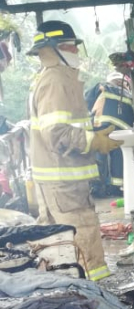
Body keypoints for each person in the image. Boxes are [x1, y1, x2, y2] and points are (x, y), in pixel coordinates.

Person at [26, 20, 122, 282]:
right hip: (64, 178)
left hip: (59, 179)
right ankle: (98, 291)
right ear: (53, 49)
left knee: (55, 240)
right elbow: (56, 133)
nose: (76, 51)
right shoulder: (56, 80)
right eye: (70, 46)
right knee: (83, 234)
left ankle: (69, 289)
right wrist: (94, 142)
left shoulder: (54, 77)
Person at [86, 71, 134, 196]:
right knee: (118, 156)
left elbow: (87, 98)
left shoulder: (103, 86)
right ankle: (116, 188)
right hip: (123, 130)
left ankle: (97, 187)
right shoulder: (130, 95)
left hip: (102, 125)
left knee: (99, 155)